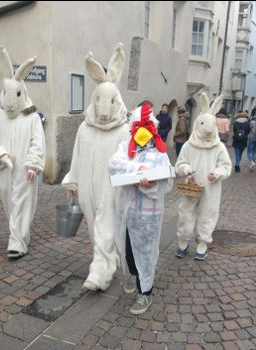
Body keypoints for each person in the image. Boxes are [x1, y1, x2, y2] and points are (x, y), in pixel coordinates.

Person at [62, 43, 129, 291]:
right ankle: (106, 261)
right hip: (88, 188)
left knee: (106, 224)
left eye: (110, 101)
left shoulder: (124, 130)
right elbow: (76, 157)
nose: (104, 108)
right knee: (95, 227)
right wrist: (73, 181)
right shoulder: (84, 129)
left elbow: (129, 160)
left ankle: (99, 271)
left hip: (111, 188)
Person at [0, 47, 45, 259]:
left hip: (25, 170)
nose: (9, 103)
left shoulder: (32, 118)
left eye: (15, 94)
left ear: (22, 93)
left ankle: (16, 242)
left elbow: (38, 143)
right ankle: (20, 236)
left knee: (21, 202)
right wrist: (0, 154)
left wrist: (33, 164)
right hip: (4, 171)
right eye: (6, 94)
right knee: (12, 206)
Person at [109, 102, 173, 315]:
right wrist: (137, 168)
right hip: (126, 211)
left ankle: (144, 293)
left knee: (145, 253)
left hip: (147, 215)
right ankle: (134, 275)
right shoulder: (126, 147)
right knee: (127, 250)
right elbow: (113, 164)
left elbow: (166, 182)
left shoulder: (160, 153)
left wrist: (151, 185)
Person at [175, 93, 232, 261]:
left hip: (210, 187)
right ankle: (183, 241)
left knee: (208, 213)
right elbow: (179, 164)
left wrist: (218, 173)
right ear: (198, 124)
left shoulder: (218, 147)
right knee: (186, 213)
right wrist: (185, 169)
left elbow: (225, 165)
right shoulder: (188, 145)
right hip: (190, 186)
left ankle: (203, 243)